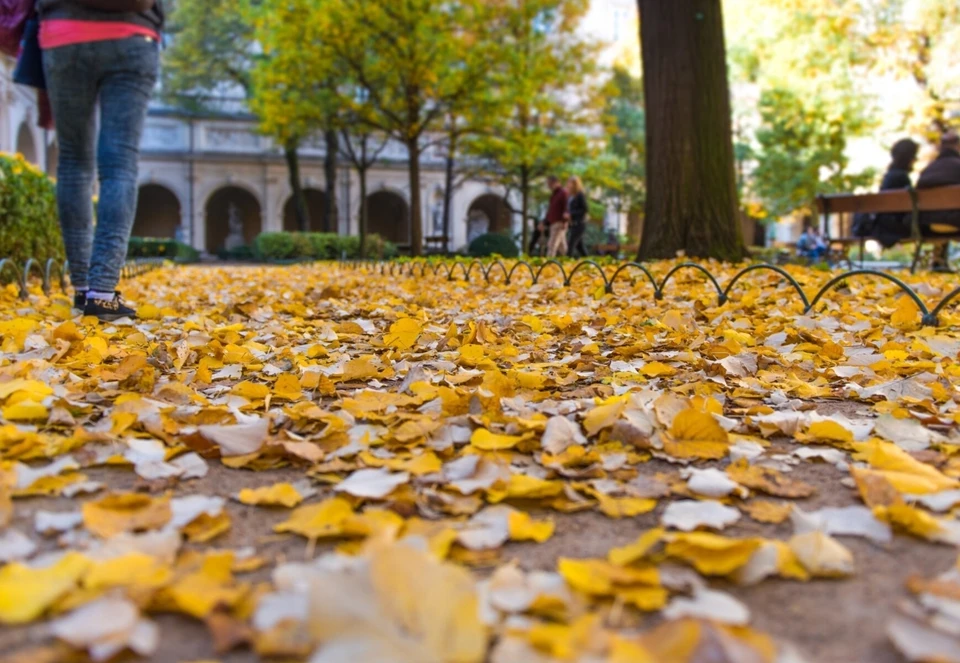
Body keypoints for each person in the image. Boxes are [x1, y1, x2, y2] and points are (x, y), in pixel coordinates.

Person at [39, 0, 164, 320]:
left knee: (73, 162)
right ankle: (103, 292)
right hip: (132, 34)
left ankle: (82, 287)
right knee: (119, 163)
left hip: (64, 34)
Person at [858, 138, 920, 248]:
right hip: (894, 228)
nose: (916, 159)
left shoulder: (889, 176)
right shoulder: (902, 177)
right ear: (910, 158)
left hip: (883, 226)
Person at [917, 130, 960, 271]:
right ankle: (940, 261)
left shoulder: (928, 170)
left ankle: (938, 260)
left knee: (942, 214)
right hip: (955, 222)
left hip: (926, 224)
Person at [543, 175, 569, 258]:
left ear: (556, 182)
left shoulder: (563, 193)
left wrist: (565, 221)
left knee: (551, 244)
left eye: (550, 184)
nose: (549, 186)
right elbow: (550, 209)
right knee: (562, 247)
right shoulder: (553, 195)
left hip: (559, 222)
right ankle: (570, 260)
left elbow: (567, 208)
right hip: (553, 222)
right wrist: (544, 222)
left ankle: (548, 264)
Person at [566, 176, 588, 258]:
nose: (568, 184)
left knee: (571, 245)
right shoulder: (571, 196)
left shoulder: (580, 195)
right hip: (573, 224)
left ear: (575, 184)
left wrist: (571, 214)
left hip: (579, 224)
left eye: (570, 183)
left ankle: (566, 265)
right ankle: (590, 262)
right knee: (580, 247)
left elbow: (584, 209)